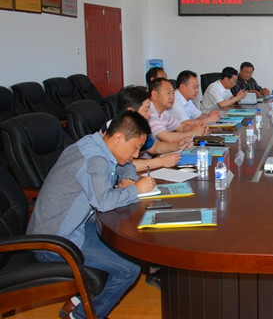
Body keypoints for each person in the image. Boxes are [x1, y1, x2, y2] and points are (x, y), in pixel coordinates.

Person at [27, 111, 156, 319]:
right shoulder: (95, 159)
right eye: (135, 148)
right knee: (129, 269)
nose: (135, 154)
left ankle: (79, 300)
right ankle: (81, 316)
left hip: (75, 226)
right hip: (55, 241)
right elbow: (103, 202)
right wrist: (136, 190)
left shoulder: (96, 143)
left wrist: (130, 180)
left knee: (127, 244)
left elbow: (126, 167)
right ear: (118, 138)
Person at [114, 85, 184, 171]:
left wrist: (178, 145)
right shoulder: (118, 129)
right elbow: (124, 165)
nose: (150, 114)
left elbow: (154, 147)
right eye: (146, 110)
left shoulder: (138, 127)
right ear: (131, 111)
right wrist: (161, 162)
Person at [148, 78, 208, 143]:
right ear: (154, 95)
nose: (172, 97)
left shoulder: (164, 113)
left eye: (173, 93)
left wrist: (197, 127)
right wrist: (195, 132)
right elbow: (169, 137)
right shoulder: (149, 113)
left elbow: (181, 127)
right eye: (168, 93)